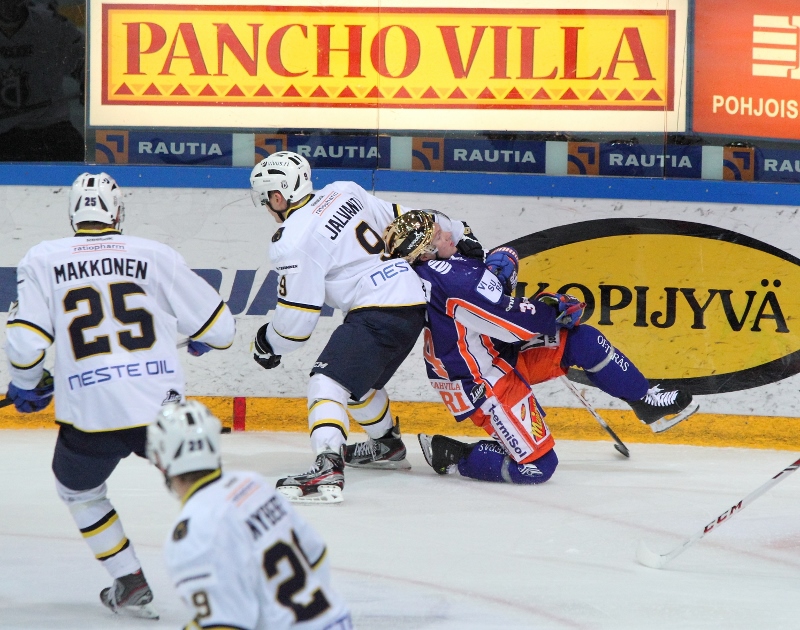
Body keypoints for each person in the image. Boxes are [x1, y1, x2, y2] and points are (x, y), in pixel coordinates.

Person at [4, 172, 236, 618]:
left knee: (80, 490)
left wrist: (27, 384)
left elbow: (27, 344)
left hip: (92, 411)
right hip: (161, 409)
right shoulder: (155, 254)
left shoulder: (42, 258)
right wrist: (202, 336)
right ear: (118, 212)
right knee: (204, 490)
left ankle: (128, 578)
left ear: (72, 213)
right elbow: (222, 330)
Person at [382, 211, 698, 484]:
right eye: (438, 235)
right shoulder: (449, 279)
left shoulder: (438, 265)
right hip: (479, 379)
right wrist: (552, 312)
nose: (446, 233)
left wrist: (490, 269)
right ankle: (455, 454)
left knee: (583, 341)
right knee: (537, 467)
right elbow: (507, 324)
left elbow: (484, 304)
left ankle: (645, 399)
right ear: (424, 252)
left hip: (492, 350)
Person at [248, 151, 481, 504]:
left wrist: (268, 343)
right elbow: (410, 221)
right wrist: (459, 230)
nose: (268, 207)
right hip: (412, 303)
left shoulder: (291, 240)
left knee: (327, 380)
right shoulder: (344, 190)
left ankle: (328, 463)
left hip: (378, 308)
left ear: (277, 197)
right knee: (359, 384)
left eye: (266, 200)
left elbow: (297, 324)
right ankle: (386, 444)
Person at [146, 399, 353, 630]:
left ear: (161, 461)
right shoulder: (252, 484)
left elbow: (225, 625)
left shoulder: (192, 534)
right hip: (336, 620)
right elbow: (316, 555)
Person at [0, 0, 85, 161]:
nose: (9, 5)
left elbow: (84, 63)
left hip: (50, 129)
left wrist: (89, 85)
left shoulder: (51, 25)